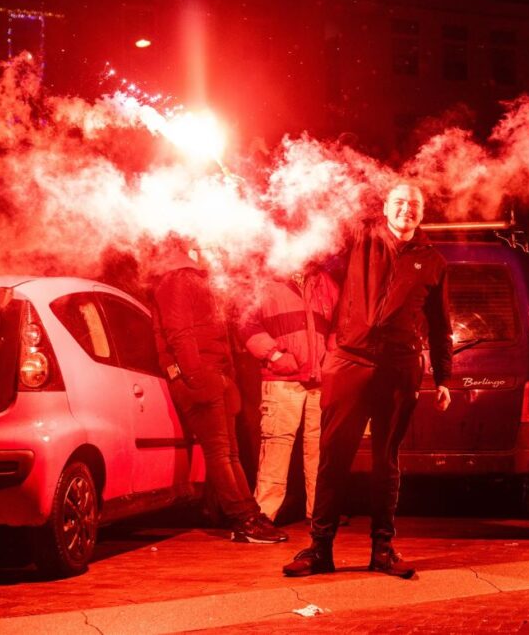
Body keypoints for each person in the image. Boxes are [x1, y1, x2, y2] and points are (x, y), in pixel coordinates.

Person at [283, 182, 453, 579]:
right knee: (332, 459)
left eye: (414, 205)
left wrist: (444, 376)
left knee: (386, 462)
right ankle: (320, 550)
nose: (405, 210)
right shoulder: (361, 238)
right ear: (385, 207)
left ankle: (383, 550)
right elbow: (328, 210)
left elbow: (441, 324)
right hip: (350, 362)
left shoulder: (432, 260)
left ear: (422, 213)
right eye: (398, 203)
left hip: (399, 368)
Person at [148, 235, 287, 544]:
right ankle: (244, 518)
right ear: (193, 248)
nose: (220, 253)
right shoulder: (178, 279)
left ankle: (248, 515)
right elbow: (179, 332)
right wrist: (197, 377)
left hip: (215, 376)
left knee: (230, 453)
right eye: (213, 247)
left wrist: (226, 377)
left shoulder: (198, 280)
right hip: (203, 378)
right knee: (220, 453)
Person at [239, 266, 339, 523]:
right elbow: (245, 322)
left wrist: (330, 355)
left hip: (318, 379)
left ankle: (319, 514)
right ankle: (264, 515)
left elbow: (339, 324)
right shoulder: (263, 280)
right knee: (276, 446)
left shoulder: (325, 281)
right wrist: (274, 355)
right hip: (282, 378)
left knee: (319, 450)